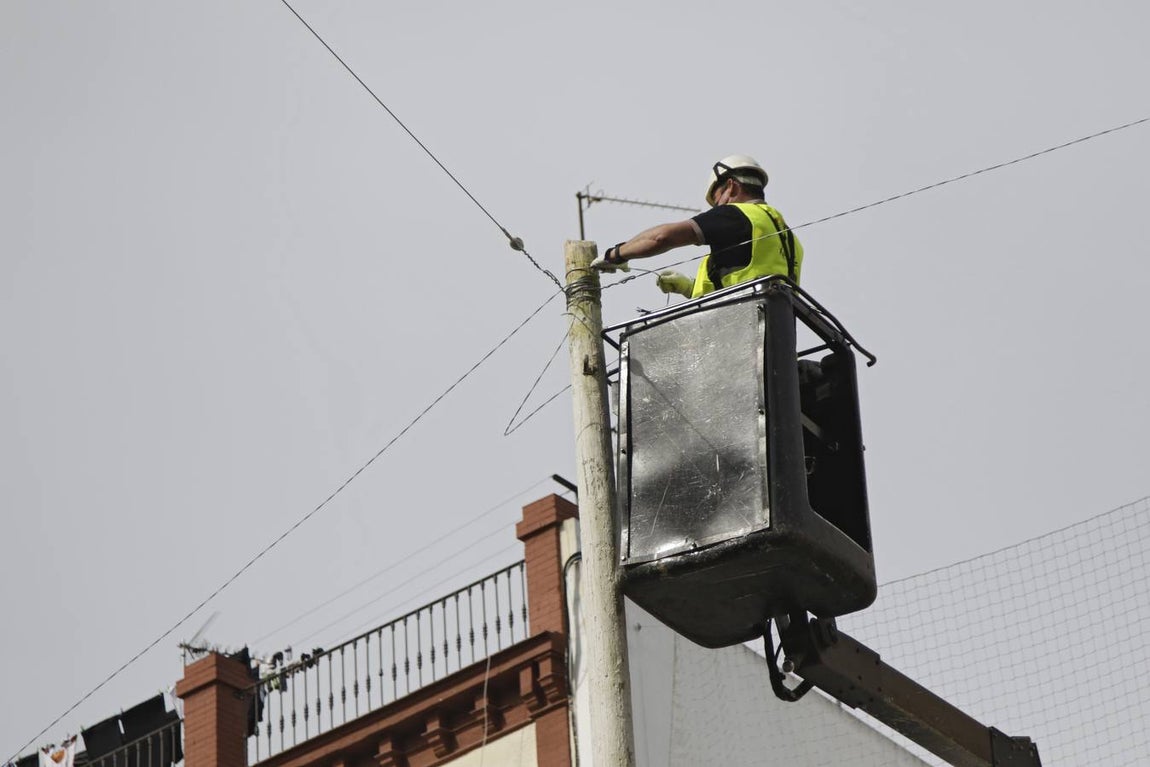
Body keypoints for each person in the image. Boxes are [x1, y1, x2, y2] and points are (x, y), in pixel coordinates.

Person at [590, 155, 803, 297]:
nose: (718, 207)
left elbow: (661, 237)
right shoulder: (789, 238)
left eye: (717, 198)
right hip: (775, 342)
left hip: (741, 332)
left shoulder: (737, 214)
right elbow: (744, 280)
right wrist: (690, 288)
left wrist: (616, 254)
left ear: (731, 186)